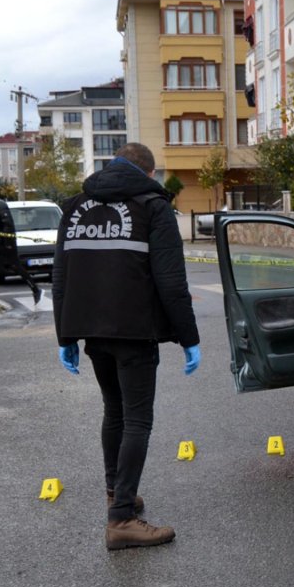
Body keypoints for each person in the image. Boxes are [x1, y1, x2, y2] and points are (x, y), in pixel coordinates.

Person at [52, 143, 200, 551]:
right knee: (137, 420)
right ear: (148, 173)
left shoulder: (77, 207)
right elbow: (171, 282)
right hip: (134, 330)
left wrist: (65, 337)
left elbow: (60, 275)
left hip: (91, 332)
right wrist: (189, 338)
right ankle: (122, 519)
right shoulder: (153, 207)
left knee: (114, 412)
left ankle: (117, 493)